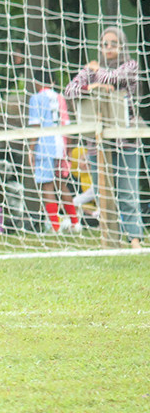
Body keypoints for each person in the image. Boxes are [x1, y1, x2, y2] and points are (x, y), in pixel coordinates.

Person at [64, 27, 144, 248]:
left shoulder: (130, 66)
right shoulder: (91, 70)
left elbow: (114, 78)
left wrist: (95, 75)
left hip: (126, 141)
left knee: (128, 192)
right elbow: (70, 90)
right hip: (96, 144)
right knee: (102, 194)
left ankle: (134, 240)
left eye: (113, 43)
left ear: (122, 45)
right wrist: (92, 86)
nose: (108, 48)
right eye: (104, 44)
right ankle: (110, 239)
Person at [28, 70, 78, 233]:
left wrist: (31, 149)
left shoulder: (36, 99)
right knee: (61, 184)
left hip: (44, 145)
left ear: (37, 83)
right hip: (60, 144)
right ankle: (75, 222)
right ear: (54, 83)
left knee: (47, 186)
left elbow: (36, 126)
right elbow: (67, 125)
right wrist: (68, 149)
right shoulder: (60, 98)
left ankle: (55, 226)